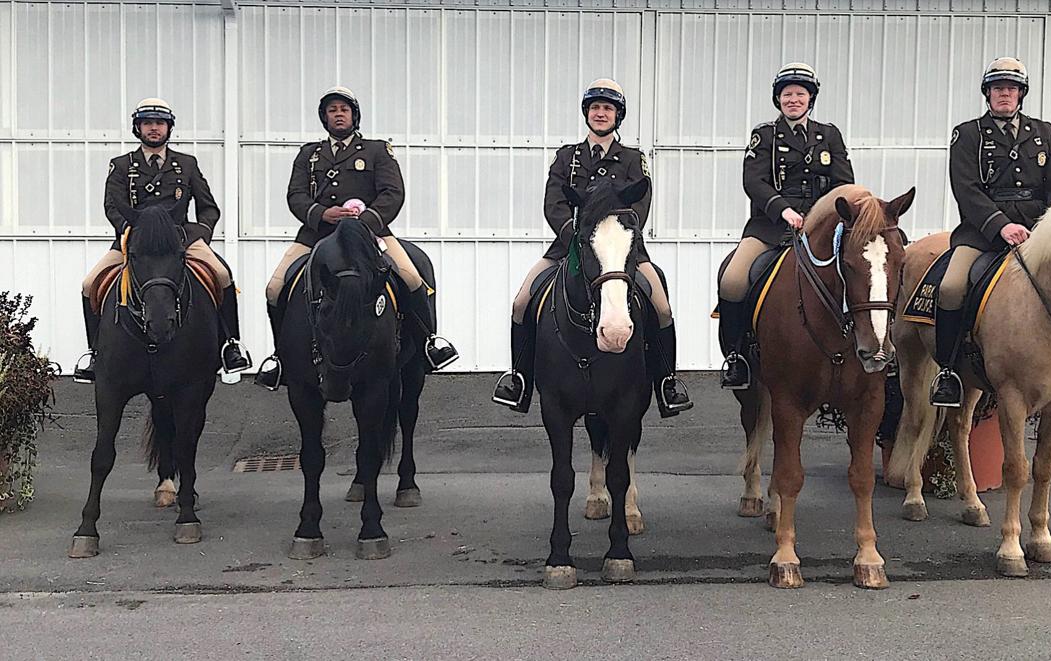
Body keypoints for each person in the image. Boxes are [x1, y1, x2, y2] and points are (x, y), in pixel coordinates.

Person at [490, 78, 692, 418]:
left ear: (618, 115)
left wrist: (613, 237)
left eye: (607, 108)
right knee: (522, 301)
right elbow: (554, 202)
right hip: (569, 248)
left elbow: (639, 205)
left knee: (661, 307)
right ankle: (519, 379)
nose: (601, 113)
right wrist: (574, 236)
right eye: (595, 107)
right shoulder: (567, 157)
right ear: (587, 113)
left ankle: (666, 382)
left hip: (620, 252)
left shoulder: (633, 159)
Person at [255, 86, 458, 389]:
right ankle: (280, 357)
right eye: (332, 110)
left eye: (344, 109)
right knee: (274, 288)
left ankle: (428, 343)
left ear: (354, 115)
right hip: (316, 234)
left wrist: (364, 222)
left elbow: (392, 193)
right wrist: (321, 214)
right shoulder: (309, 154)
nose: (338, 114)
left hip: (370, 234)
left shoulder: (377, 150)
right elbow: (295, 195)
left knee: (412, 277)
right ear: (324, 117)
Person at [931, 56, 1051, 407]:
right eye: (998, 88)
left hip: (1038, 233)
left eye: (1011, 88)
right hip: (982, 233)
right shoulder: (968, 134)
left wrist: (1048, 230)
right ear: (987, 93)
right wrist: (1001, 225)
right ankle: (949, 372)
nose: (1005, 94)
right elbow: (966, 189)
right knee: (951, 287)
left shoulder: (1044, 133)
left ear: (1021, 94)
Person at [75, 98, 250, 383]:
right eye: (148, 123)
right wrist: (128, 231)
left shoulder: (187, 164)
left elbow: (208, 207)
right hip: (134, 240)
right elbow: (112, 205)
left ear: (169, 128)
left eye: (160, 123)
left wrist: (201, 232)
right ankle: (95, 353)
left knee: (221, 274)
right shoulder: (121, 165)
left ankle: (231, 345)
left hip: (181, 238)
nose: (154, 128)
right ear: (138, 128)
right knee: (89, 284)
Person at [717, 63, 854, 389]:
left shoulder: (829, 135)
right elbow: (754, 181)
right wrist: (783, 210)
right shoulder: (765, 135)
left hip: (821, 227)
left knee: (866, 271)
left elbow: (844, 183)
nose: (793, 99)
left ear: (811, 98)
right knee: (733, 280)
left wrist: (824, 216)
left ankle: (874, 351)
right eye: (787, 94)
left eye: (800, 94)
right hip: (770, 227)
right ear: (778, 99)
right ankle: (736, 357)